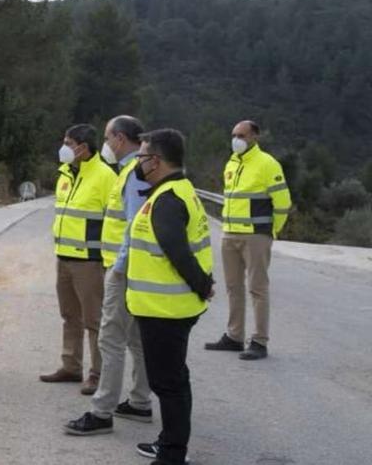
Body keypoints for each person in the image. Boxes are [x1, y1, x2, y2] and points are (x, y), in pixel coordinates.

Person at [126, 129, 214, 465]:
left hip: (166, 310)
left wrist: (203, 285)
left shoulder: (168, 200)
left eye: (142, 156)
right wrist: (203, 285)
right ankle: (168, 442)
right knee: (172, 378)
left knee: (169, 383)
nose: (138, 162)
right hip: (167, 307)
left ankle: (173, 454)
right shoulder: (178, 190)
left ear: (156, 161)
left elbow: (178, 252)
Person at [64, 115, 153, 436]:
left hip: (124, 266)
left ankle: (102, 412)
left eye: (107, 137)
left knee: (111, 338)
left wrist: (118, 267)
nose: (106, 143)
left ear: (118, 138)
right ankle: (140, 402)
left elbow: (135, 225)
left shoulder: (133, 172)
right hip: (135, 265)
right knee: (135, 338)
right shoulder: (140, 169)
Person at [205, 121, 291, 360]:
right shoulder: (232, 162)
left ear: (255, 136)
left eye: (241, 135)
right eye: (233, 135)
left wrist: (271, 231)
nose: (236, 139)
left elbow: (283, 203)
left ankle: (259, 341)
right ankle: (234, 337)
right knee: (233, 287)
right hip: (229, 233)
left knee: (258, 288)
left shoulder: (267, 163)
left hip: (256, 235)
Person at [41, 124, 116, 396]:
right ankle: (71, 366)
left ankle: (97, 374)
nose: (64, 148)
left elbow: (115, 220)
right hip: (64, 258)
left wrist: (109, 260)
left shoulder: (105, 176)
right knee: (69, 316)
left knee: (93, 320)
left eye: (68, 143)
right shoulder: (65, 173)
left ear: (83, 147)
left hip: (90, 261)